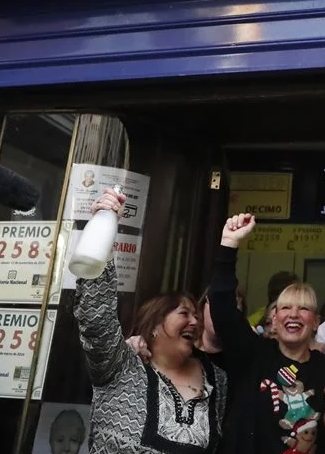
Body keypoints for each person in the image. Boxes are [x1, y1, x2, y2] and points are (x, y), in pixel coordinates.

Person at [73, 189, 227, 454]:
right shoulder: (121, 367)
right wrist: (103, 229)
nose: (194, 321)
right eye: (183, 313)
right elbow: (96, 320)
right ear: (155, 324)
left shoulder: (217, 380)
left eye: (196, 314)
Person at [210, 213, 325, 454]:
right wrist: (229, 244)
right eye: (285, 308)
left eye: (303, 308)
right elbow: (221, 307)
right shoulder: (253, 354)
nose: (293, 314)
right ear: (274, 318)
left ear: (316, 322)